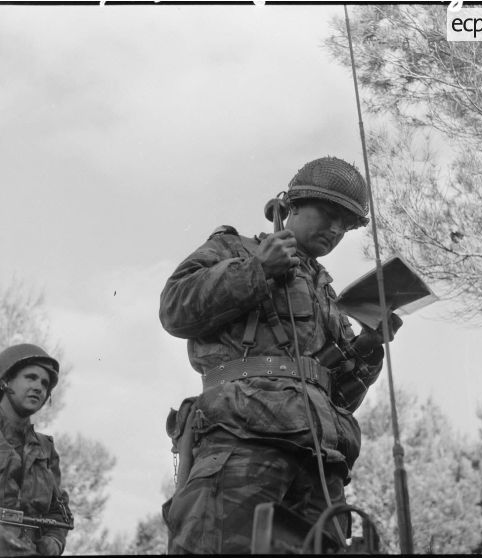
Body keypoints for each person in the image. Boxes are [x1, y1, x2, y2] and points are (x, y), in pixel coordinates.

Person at [159, 156, 403, 554]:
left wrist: (370, 347)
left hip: (321, 465)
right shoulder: (232, 248)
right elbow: (174, 309)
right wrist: (257, 269)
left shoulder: (328, 296)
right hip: (243, 441)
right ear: (290, 206)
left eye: (346, 223)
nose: (336, 229)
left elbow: (337, 398)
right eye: (328, 213)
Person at [0, 344, 73, 557]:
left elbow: (60, 514)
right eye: (30, 377)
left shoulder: (46, 450)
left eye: (45, 384)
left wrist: (54, 541)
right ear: (6, 381)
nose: (39, 387)